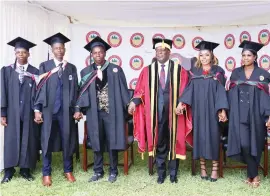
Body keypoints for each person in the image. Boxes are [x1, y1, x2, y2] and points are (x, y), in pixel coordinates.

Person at [128, 38, 192, 184]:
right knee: (159, 141)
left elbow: (186, 90)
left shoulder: (179, 70)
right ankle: (161, 172)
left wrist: (182, 103)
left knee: (174, 141)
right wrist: (133, 101)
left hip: (174, 113)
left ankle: (174, 173)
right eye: (158, 50)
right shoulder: (147, 71)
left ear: (169, 52)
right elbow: (140, 91)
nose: (160, 53)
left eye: (163, 50)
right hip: (155, 114)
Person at [76, 36, 129, 183]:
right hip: (94, 112)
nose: (98, 55)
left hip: (111, 113)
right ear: (91, 55)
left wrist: (129, 106)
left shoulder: (115, 70)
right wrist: (79, 108)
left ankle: (113, 171)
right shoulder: (86, 72)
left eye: (100, 52)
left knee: (112, 141)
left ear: (105, 53)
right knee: (96, 141)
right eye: (95, 52)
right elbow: (81, 92)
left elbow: (124, 91)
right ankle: (98, 171)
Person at [176, 41, 228, 182]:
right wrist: (181, 103)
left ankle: (215, 169)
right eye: (201, 55)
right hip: (198, 110)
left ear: (212, 55)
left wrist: (222, 109)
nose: (204, 57)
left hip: (213, 110)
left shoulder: (218, 71)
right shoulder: (195, 72)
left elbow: (221, 91)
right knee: (200, 138)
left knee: (213, 137)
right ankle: (203, 169)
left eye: (206, 55)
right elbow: (189, 90)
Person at [226, 40, 270, 188]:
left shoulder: (263, 74)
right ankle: (254, 174)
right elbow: (230, 94)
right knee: (245, 144)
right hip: (239, 115)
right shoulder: (236, 73)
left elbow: (266, 97)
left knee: (256, 143)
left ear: (255, 57)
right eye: (244, 55)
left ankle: (251, 175)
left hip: (257, 116)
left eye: (249, 55)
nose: (246, 58)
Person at [34, 33, 80, 187]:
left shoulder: (71, 68)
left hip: (66, 112)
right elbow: (39, 89)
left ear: (64, 49)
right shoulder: (44, 66)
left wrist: (76, 109)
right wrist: (37, 110)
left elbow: (75, 91)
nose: (59, 50)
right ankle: (46, 173)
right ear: (52, 50)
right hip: (48, 110)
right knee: (46, 142)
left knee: (67, 140)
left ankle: (68, 170)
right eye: (56, 48)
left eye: (61, 48)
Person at [1, 37, 39, 183]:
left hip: (28, 112)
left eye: (24, 52)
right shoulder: (6, 71)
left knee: (28, 140)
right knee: (11, 140)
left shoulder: (35, 72)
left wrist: (37, 110)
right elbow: (3, 93)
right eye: (18, 52)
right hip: (12, 113)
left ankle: (25, 170)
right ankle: (8, 171)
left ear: (29, 54)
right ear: (15, 53)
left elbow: (38, 93)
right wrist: (2, 113)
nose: (21, 54)